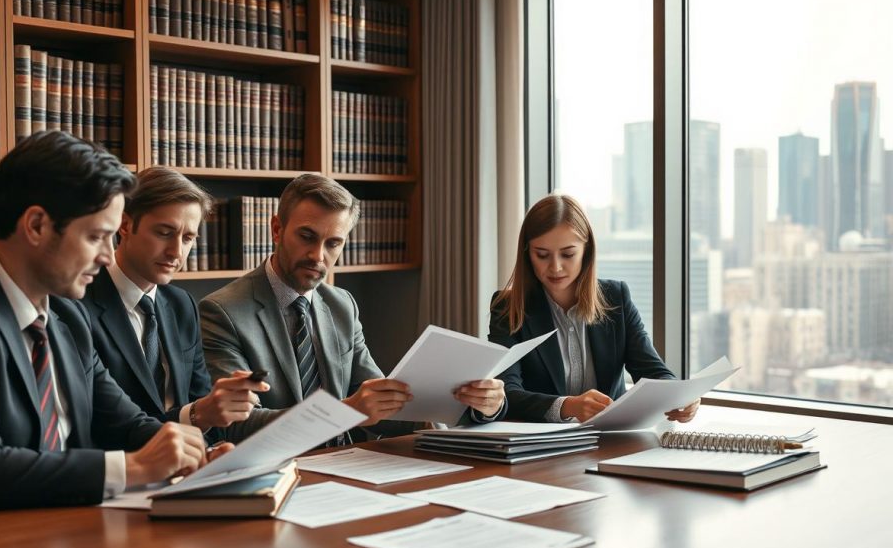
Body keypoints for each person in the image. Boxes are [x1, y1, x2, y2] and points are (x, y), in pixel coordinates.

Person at [0, 131, 228, 520]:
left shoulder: (68, 317)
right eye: (97, 237)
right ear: (37, 225)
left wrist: (195, 456)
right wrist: (137, 468)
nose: (109, 257)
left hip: (58, 529)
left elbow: (125, 423)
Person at [201, 174, 507, 443]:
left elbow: (381, 405)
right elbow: (235, 425)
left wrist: (470, 405)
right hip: (274, 474)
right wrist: (346, 412)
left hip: (346, 468)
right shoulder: (222, 311)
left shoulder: (341, 305)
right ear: (277, 229)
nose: (318, 255)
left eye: (333, 243)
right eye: (307, 236)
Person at [82, 167, 267, 439]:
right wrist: (196, 415)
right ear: (124, 225)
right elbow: (102, 427)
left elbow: (202, 406)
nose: (176, 252)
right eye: (164, 232)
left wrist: (213, 446)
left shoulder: (182, 305)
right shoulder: (79, 306)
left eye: (188, 238)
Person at [489, 194, 699, 423]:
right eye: (542, 255)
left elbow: (651, 370)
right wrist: (568, 406)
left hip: (611, 441)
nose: (555, 267)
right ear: (527, 253)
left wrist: (679, 394)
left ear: (586, 251)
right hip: (540, 448)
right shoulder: (507, 308)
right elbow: (504, 395)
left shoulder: (616, 298)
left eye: (568, 254)